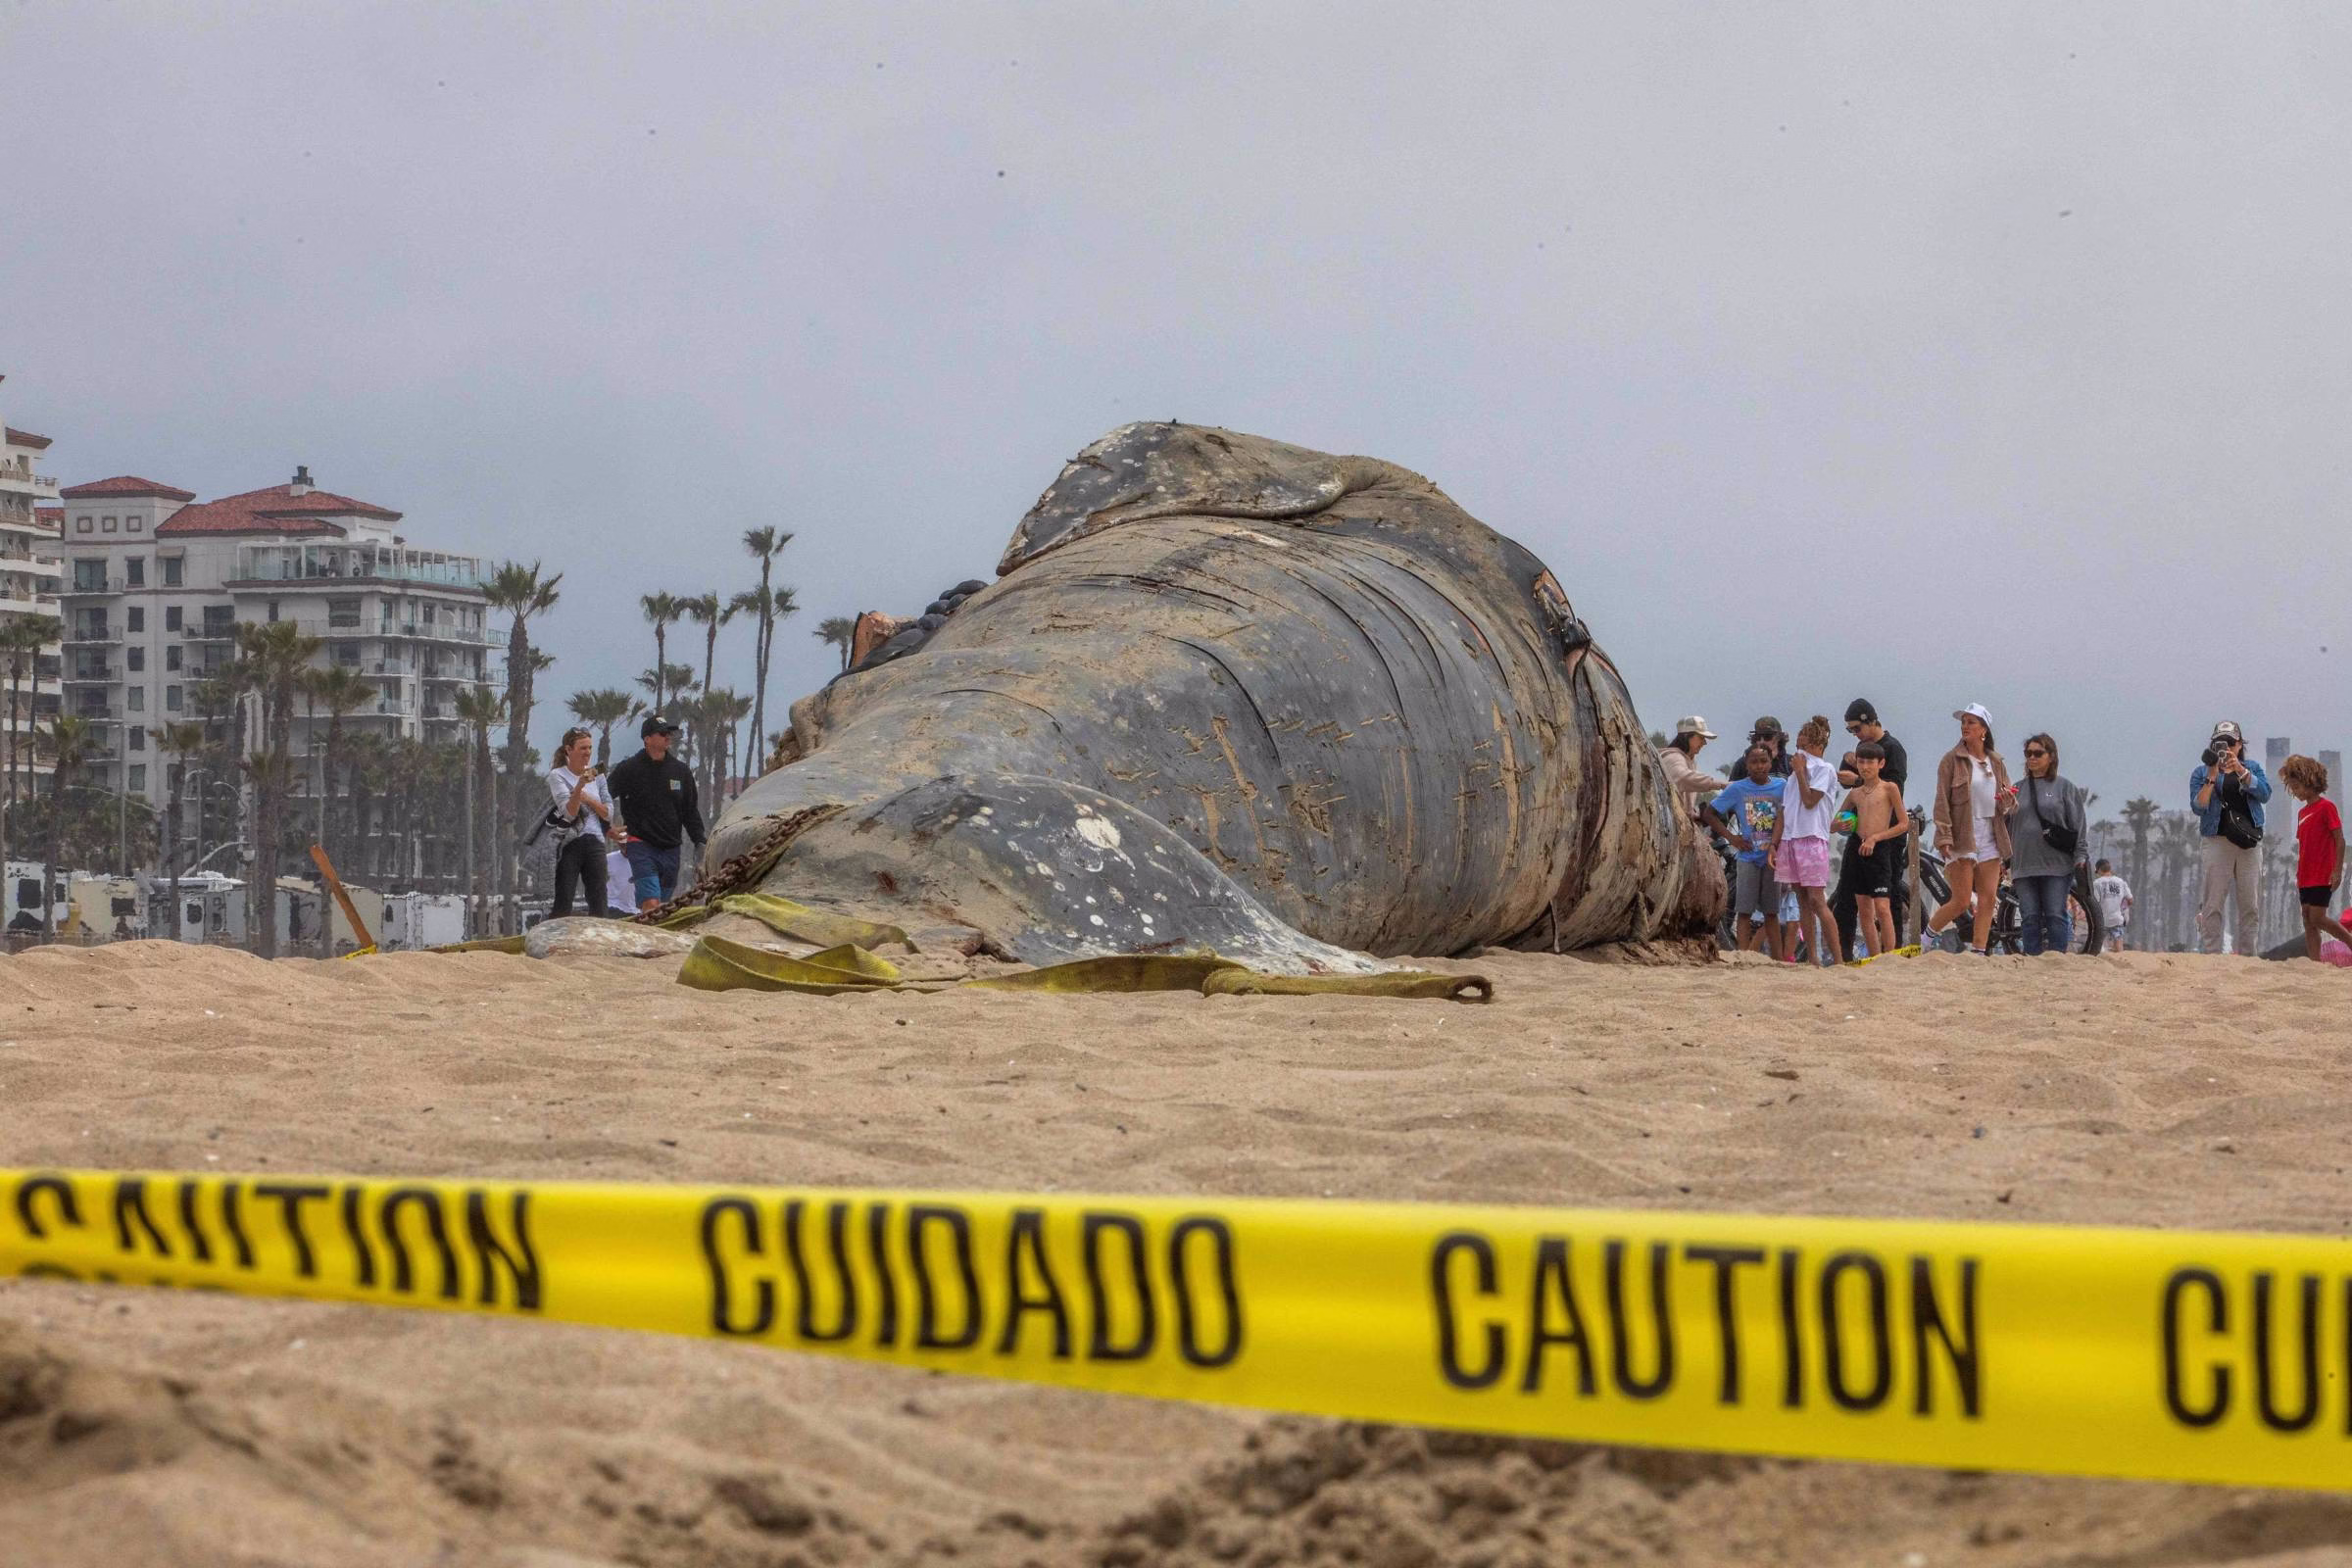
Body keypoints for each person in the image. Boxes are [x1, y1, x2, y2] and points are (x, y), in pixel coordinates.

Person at [1922, 703, 2014, 955]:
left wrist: (2007, 801)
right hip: (1964, 833)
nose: (1965, 727)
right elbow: (1941, 800)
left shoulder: (1996, 762)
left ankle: (1978, 951)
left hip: (1991, 833)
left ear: (1984, 729)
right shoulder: (1951, 760)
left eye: (1971, 722)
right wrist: (1944, 835)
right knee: (1961, 900)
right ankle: (1926, 939)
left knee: (1988, 898)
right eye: (1963, 722)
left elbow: (2008, 802)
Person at [1831, 699, 1909, 958]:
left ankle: (1892, 954)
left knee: (1888, 900)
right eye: (1851, 732)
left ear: (1870, 721)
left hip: (1885, 840)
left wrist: (1857, 776)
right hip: (1858, 836)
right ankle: (1846, 953)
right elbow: (1849, 796)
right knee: (1850, 899)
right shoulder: (1861, 756)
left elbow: (1893, 788)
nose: (1855, 734)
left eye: (1856, 728)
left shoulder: (1893, 749)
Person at [607, 713, 708, 909]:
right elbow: (604, 797)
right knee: (651, 903)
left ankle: (643, 936)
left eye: (669, 733)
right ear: (647, 739)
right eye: (662, 733)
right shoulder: (629, 769)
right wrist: (607, 826)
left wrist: (699, 841)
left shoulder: (681, 771)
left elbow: (689, 811)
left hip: (671, 848)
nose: (667, 737)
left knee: (661, 906)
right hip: (641, 845)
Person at [2190, 720, 2272, 956]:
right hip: (2217, 839)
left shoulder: (2252, 767)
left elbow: (2265, 794)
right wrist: (2212, 776)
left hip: (2248, 843)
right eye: (2220, 743)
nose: (2225, 748)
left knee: (2250, 903)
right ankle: (2212, 952)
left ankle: (2248, 954)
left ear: (2239, 745)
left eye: (2231, 743)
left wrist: (2240, 770)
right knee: (2213, 901)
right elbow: (2199, 806)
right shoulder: (2201, 772)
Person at [1769, 715, 1842, 965]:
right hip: (1791, 839)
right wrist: (1774, 844)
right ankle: (1812, 957)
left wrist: (1801, 772)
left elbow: (1810, 800)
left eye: (1803, 749)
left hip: (1812, 839)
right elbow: (1785, 811)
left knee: (1817, 900)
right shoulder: (1790, 778)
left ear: (1815, 747)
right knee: (1802, 901)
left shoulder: (1824, 770)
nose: (1798, 755)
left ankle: (1839, 959)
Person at [2007, 732, 2087, 956]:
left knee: (2054, 913)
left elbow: (2078, 824)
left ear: (2051, 757)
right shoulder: (2017, 788)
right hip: (2024, 864)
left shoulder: (2065, 787)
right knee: (2029, 916)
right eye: (2028, 753)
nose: (2031, 758)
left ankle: (2056, 959)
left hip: (2056, 865)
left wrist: (2081, 856)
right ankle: (2032, 960)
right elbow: (2006, 824)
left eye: (2037, 753)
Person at [1700, 744, 1785, 956]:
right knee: (1744, 910)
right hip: (1747, 857)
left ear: (1770, 762)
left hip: (1772, 858)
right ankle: (1742, 955)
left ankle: (1778, 958)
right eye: (1754, 762)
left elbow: (1789, 813)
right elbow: (1710, 813)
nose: (1759, 766)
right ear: (1746, 765)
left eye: (1763, 761)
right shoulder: (1738, 789)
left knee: (1772, 912)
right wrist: (1732, 838)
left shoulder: (1781, 786)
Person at [2279, 755, 2351, 961]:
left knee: (2318, 917)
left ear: (2310, 782)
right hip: (2306, 876)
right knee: (2307, 919)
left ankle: (2349, 942)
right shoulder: (2303, 813)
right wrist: (2299, 874)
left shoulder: (2327, 807)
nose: (2294, 792)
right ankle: (2314, 962)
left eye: (2297, 787)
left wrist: (2337, 870)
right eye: (2292, 788)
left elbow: (2340, 840)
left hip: (2323, 874)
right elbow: (2304, 846)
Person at [1840, 741, 1905, 960]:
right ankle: (1875, 957)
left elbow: (1903, 823)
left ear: (1881, 763)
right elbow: (1837, 821)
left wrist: (1876, 838)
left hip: (1879, 850)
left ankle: (1889, 956)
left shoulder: (1889, 788)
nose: (1865, 766)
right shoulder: (1855, 793)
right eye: (1861, 762)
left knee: (1882, 907)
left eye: (1870, 762)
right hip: (1859, 850)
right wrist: (1841, 825)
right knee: (1864, 910)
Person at [545, 726, 613, 918]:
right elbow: (569, 813)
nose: (587, 753)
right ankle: (556, 941)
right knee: (564, 899)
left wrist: (589, 799)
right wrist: (579, 787)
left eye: (590, 748)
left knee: (599, 899)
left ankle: (600, 942)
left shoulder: (597, 774)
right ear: (569, 749)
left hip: (595, 840)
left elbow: (608, 814)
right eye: (583, 748)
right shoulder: (557, 775)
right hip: (569, 841)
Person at [1657, 716, 1720, 814]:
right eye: (1701, 737)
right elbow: (1684, 778)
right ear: (1687, 736)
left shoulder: (1689, 762)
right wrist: (1721, 785)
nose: (1704, 743)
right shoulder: (1674, 757)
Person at [2090, 858, 2132, 951]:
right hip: (2117, 919)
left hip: (2101, 920)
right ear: (2110, 869)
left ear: (2099, 870)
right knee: (2118, 940)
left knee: (2099, 943)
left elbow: (2095, 902)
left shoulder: (2097, 883)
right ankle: (2118, 958)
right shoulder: (2121, 882)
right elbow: (2130, 900)